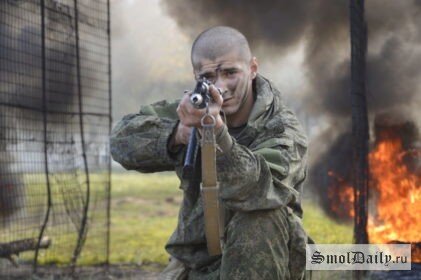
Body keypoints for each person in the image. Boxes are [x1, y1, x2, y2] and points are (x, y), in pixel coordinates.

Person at [111, 26, 308, 280]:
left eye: (230, 72)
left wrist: (218, 134)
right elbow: (121, 140)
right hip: (197, 264)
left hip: (264, 259)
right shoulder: (192, 110)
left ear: (253, 68)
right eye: (208, 77)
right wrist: (177, 134)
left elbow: (257, 190)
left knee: (262, 217)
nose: (221, 86)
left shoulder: (282, 128)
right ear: (196, 76)